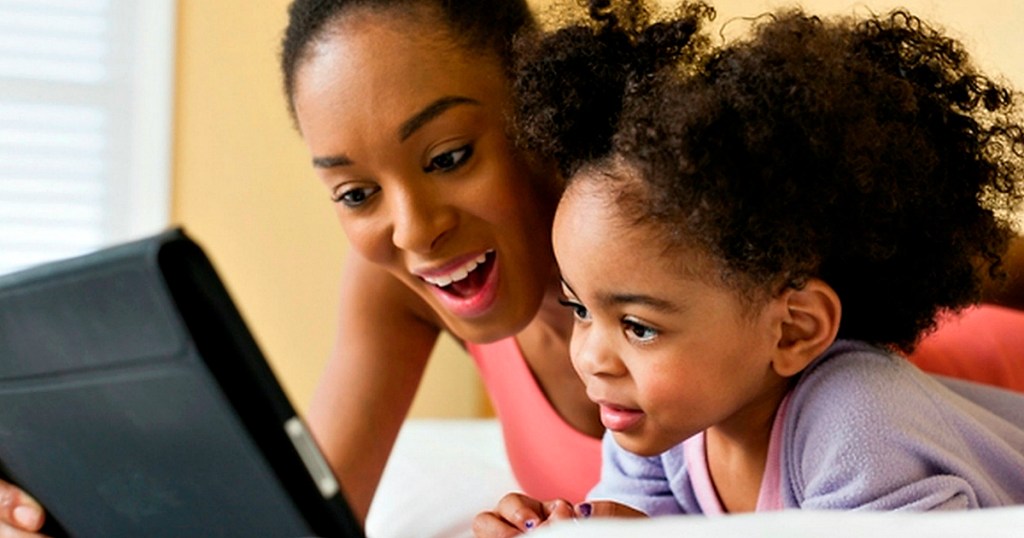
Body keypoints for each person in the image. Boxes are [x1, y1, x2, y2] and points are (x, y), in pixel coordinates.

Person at [2, 0, 1024, 535]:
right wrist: (75, 496)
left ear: (534, 113)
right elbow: (297, 512)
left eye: (449, 155)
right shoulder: (423, 284)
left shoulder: (720, 202)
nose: (412, 232)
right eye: (354, 192)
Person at [474, 2, 1024, 534]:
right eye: (579, 309)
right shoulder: (655, 424)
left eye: (639, 327)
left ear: (792, 329)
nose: (589, 357)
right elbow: (643, 525)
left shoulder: (856, 422)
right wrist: (570, 531)